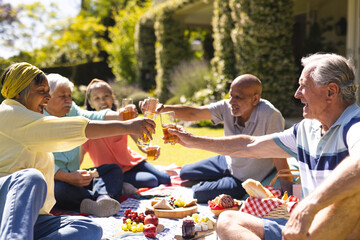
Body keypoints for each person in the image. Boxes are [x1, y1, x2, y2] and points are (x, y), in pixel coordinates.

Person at [168, 53, 360, 240]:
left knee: (353, 203)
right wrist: (192, 140)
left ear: (331, 92)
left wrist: (308, 206)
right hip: (300, 230)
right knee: (227, 220)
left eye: (304, 86)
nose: (297, 94)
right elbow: (249, 145)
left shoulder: (354, 125)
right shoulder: (307, 129)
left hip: (333, 228)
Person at [0, 62, 155, 239]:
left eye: (48, 92)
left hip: (35, 217)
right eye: (41, 91)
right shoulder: (9, 113)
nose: (47, 98)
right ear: (19, 92)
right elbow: (69, 130)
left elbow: (88, 120)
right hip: (4, 210)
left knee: (89, 228)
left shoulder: (36, 118)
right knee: (31, 177)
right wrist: (127, 126)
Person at [140, 74, 290, 203]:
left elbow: (280, 158)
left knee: (199, 192)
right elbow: (194, 114)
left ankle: (208, 181)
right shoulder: (228, 106)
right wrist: (163, 108)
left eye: (238, 97)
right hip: (227, 160)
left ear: (255, 99)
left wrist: (288, 197)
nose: (231, 101)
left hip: (243, 179)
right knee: (185, 172)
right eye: (231, 95)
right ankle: (209, 177)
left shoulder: (270, 116)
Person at [43, 73, 138, 217]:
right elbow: (41, 163)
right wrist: (68, 178)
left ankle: (102, 199)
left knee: (112, 169)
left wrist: (120, 116)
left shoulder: (71, 109)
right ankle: (105, 195)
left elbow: (94, 116)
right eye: (63, 96)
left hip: (76, 177)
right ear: (47, 98)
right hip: (57, 179)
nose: (68, 100)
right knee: (57, 190)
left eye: (70, 95)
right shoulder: (38, 119)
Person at [82, 78, 171, 188]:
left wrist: (149, 149)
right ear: (90, 102)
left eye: (106, 96)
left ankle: (127, 184)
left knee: (165, 179)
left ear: (112, 97)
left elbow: (139, 142)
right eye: (96, 98)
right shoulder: (86, 126)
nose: (102, 101)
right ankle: (121, 184)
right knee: (151, 181)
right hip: (113, 172)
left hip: (132, 161)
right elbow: (78, 156)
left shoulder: (123, 117)